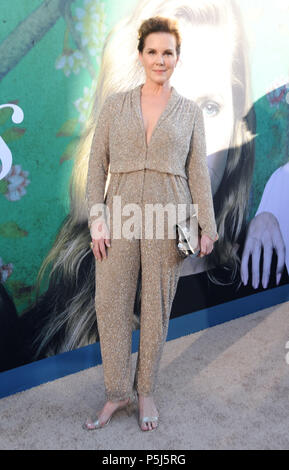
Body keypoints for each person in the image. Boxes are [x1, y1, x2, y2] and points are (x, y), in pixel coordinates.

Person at [83, 16, 218, 432]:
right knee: (111, 305)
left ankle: (146, 391)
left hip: (173, 215)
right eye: (153, 52)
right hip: (119, 213)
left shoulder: (190, 111)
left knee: (158, 307)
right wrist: (97, 219)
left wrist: (206, 227)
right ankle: (116, 392)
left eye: (168, 53)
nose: (161, 60)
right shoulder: (114, 105)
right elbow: (95, 166)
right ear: (141, 55)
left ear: (177, 58)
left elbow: (198, 172)